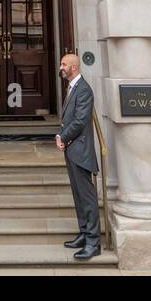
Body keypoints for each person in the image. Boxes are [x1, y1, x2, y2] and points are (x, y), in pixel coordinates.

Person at [56, 52, 100, 260]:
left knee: (87, 197)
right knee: (78, 195)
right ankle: (83, 233)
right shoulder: (72, 87)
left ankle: (93, 242)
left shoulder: (83, 90)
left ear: (73, 67)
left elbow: (81, 121)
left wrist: (62, 136)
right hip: (72, 149)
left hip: (80, 150)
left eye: (64, 64)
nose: (61, 67)